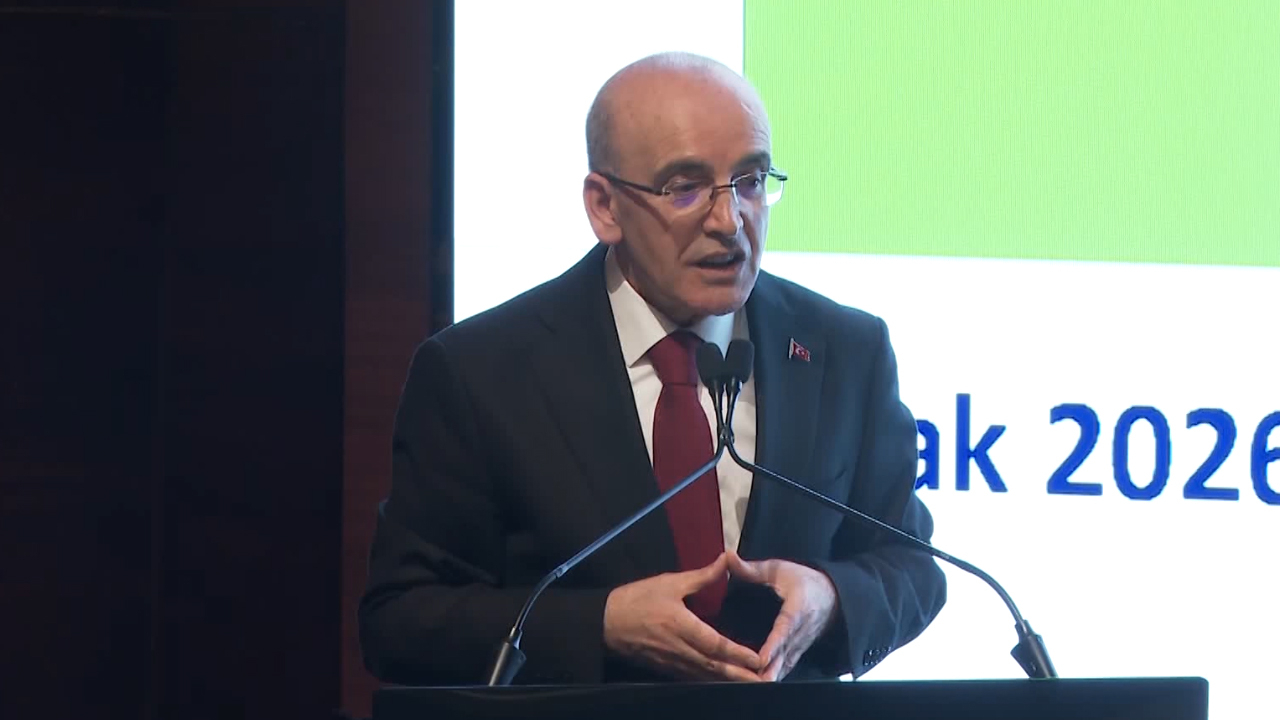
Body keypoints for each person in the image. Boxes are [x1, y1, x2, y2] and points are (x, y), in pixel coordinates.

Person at [359, 52, 946, 686]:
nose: (730, 222)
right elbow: (402, 621)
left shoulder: (845, 351)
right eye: (685, 188)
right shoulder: (480, 373)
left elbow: (911, 566)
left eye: (750, 181)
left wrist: (833, 598)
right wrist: (602, 625)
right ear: (605, 207)